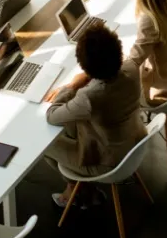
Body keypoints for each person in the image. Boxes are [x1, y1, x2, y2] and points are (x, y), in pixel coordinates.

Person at [44, 24, 146, 207]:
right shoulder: (131, 68)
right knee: (71, 125)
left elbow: (52, 115)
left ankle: (77, 190)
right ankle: (81, 189)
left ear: (85, 66)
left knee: (44, 143)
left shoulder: (90, 97)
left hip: (107, 162)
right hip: (133, 143)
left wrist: (72, 86)